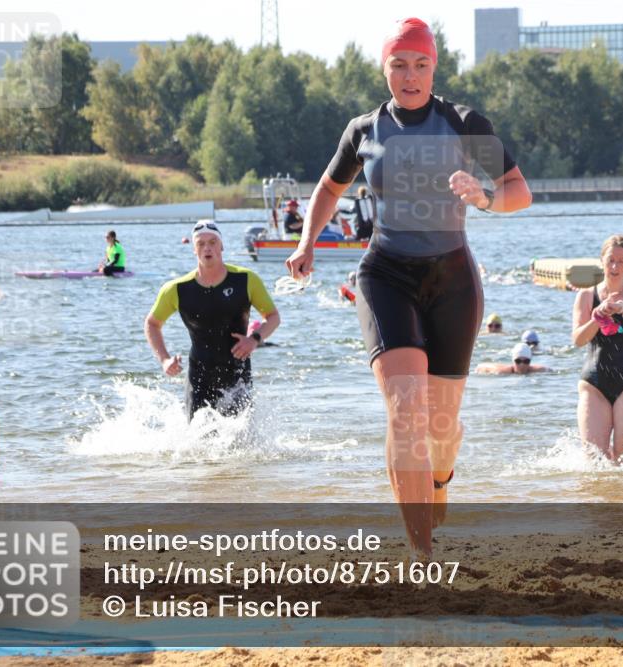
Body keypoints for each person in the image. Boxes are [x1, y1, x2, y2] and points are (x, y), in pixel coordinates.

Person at [284, 17, 531, 557]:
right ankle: (422, 554)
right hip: (385, 274)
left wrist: (485, 197)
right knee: (404, 410)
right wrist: (306, 244)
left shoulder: (463, 123)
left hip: (453, 281)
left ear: (433, 66)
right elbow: (327, 190)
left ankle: (440, 480)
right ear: (385, 68)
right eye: (400, 64)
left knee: (441, 428)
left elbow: (519, 192)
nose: (410, 75)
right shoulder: (363, 129)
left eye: (420, 64)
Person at [145, 220, 280, 420]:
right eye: (200, 243)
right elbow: (152, 324)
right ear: (194, 249)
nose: (207, 248)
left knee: (242, 444)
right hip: (199, 376)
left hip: (237, 375)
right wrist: (164, 359)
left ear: (222, 246)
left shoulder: (246, 280)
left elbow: (273, 317)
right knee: (198, 443)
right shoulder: (177, 289)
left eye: (212, 242)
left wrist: (254, 339)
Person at [572, 235, 623, 463]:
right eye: (610, 260)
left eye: (621, 261)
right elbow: (578, 339)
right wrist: (597, 317)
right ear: (602, 261)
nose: (615, 266)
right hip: (593, 382)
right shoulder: (586, 295)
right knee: (594, 458)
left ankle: (622, 498)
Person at [476, 343, 547, 375]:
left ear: (530, 361)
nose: (522, 365)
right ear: (513, 361)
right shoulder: (502, 371)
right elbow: (480, 366)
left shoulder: (538, 370)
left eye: (526, 361)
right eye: (518, 361)